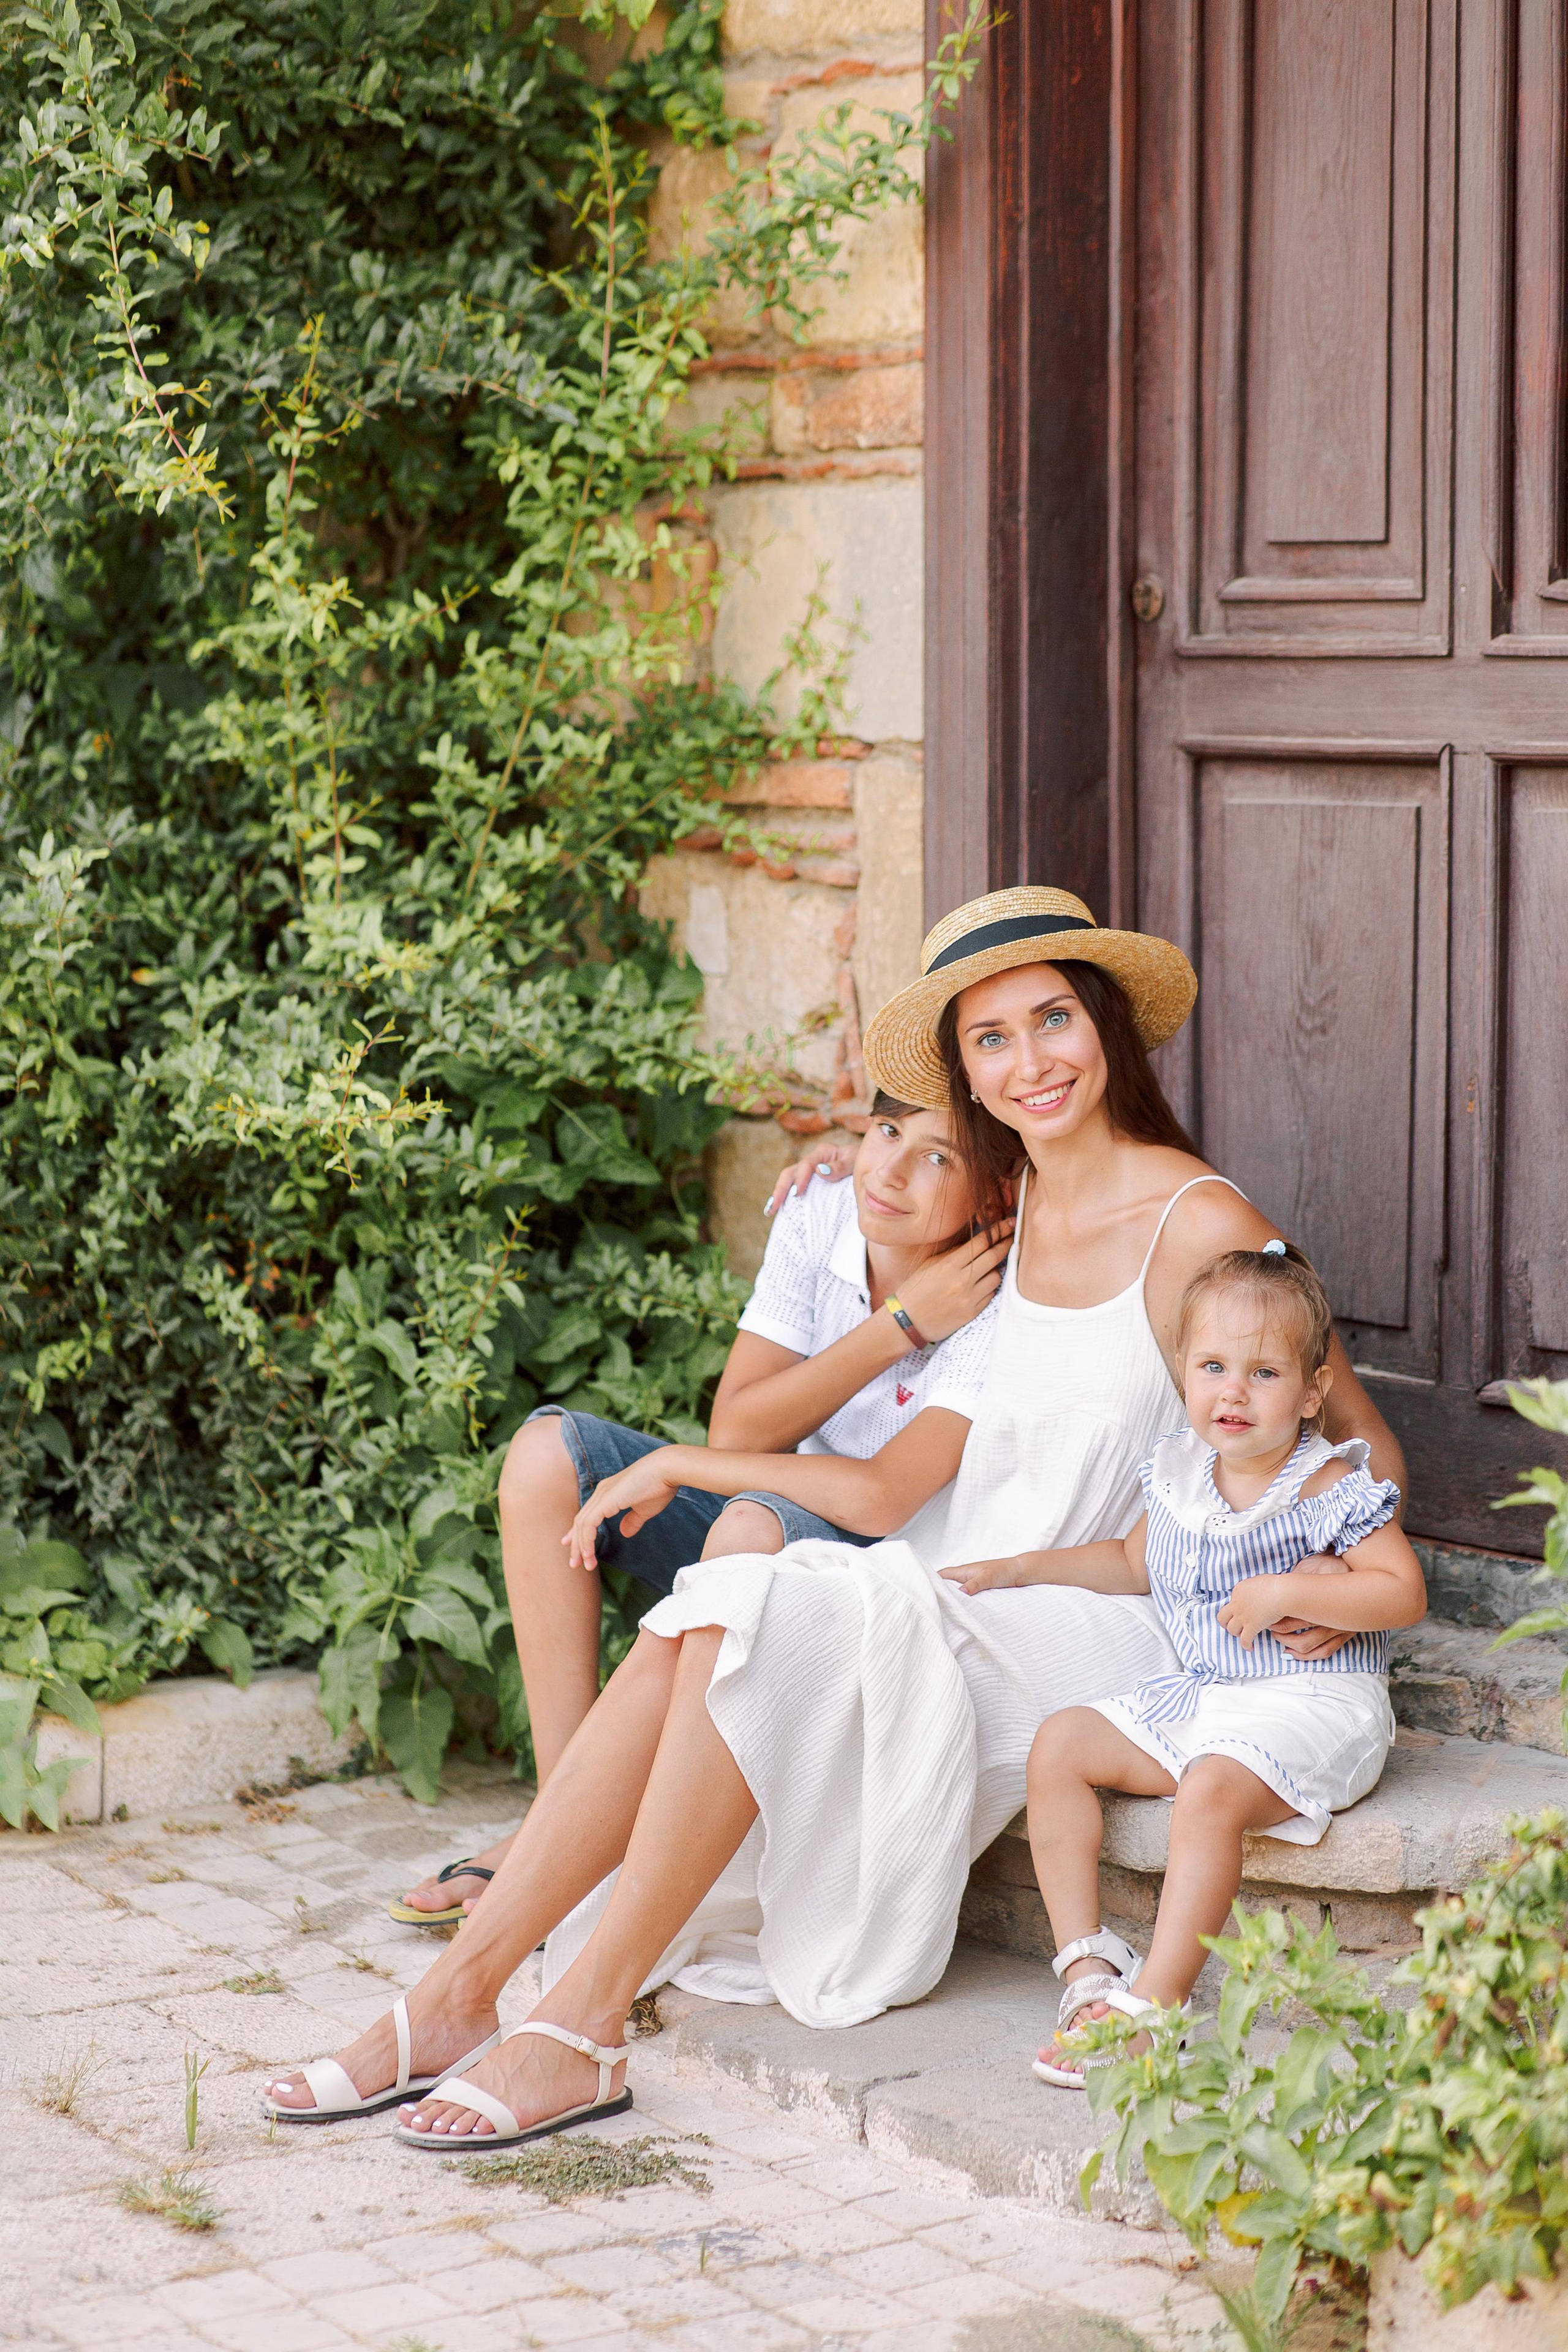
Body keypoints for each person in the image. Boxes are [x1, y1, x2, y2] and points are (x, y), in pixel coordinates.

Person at [263, 884, 1404, 2152]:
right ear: (964, 1074)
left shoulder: (1198, 1221)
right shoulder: (1006, 1214)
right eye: (989, 1040)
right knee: (727, 1596)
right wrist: (833, 1179)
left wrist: (1311, 1582)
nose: (1027, 1063)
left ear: (1108, 1030)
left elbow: (1354, 1442)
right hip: (962, 1577)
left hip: (1104, 1621)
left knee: (758, 1599)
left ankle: (578, 2024)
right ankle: (454, 2000)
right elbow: (892, 1263)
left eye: (1052, 1022)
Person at [390, 1089, 1012, 1923]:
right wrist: (898, 1325)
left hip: (875, 1573)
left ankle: (596, 1872)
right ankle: (559, 1830)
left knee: (746, 1524)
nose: (890, 1171)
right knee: (548, 1458)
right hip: (773, 1503)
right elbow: (741, 1423)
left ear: (997, 1194)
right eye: (887, 1132)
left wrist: (684, 1464)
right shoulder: (824, 1210)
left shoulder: (997, 1297)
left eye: (938, 1156)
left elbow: (880, 1498)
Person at [943, 1240, 1425, 2087]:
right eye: (1212, 1365)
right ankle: (1088, 1969)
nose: (1233, 1390)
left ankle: (1157, 2004)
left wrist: (1284, 1592)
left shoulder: (1326, 1485)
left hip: (1311, 1705)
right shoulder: (1179, 1474)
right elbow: (1132, 1564)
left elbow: (1402, 1592)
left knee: (1208, 1788)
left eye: (1265, 1373)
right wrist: (1019, 1567)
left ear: (1314, 1393)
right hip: (1206, 1697)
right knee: (1060, 1743)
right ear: (1182, 1371)